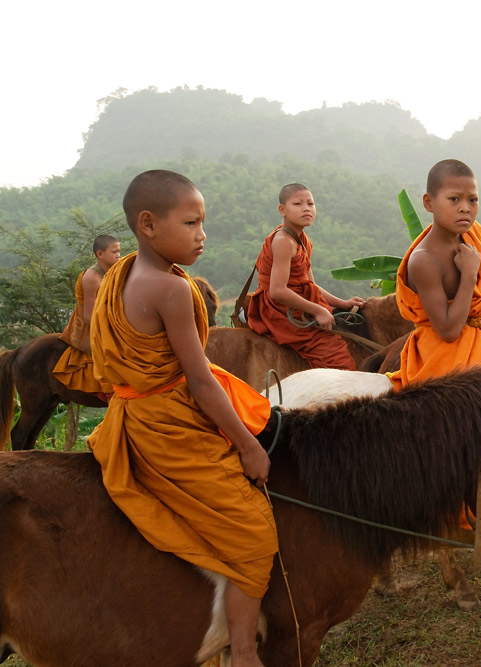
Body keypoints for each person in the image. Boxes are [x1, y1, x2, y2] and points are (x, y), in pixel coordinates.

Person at [86, 170, 277, 667]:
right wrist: (248, 445)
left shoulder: (122, 273)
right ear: (148, 224)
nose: (202, 234)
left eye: (203, 223)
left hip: (131, 414)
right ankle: (241, 650)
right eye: (191, 222)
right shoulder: (172, 289)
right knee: (254, 535)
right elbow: (198, 381)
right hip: (166, 427)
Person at [389, 159, 481, 389]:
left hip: (480, 343)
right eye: (454, 199)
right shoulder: (424, 259)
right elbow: (448, 330)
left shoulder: (473, 236)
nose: (465, 207)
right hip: (440, 357)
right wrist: (468, 274)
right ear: (429, 203)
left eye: (472, 200)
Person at [246, 184, 365, 370]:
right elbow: (277, 291)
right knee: (340, 363)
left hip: (300, 301)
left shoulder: (301, 239)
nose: (306, 208)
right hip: (280, 309)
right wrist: (317, 310)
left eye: (310, 203)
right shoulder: (284, 242)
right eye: (298, 203)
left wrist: (342, 303)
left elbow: (310, 284)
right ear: (282, 210)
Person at [51, 234, 121, 397]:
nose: (118, 255)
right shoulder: (92, 277)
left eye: (119, 251)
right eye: (114, 251)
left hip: (108, 323)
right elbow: (89, 317)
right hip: (90, 328)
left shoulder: (114, 273)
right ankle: (112, 394)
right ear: (100, 254)